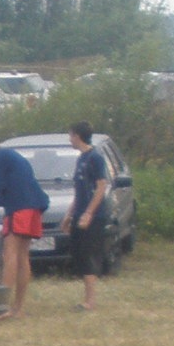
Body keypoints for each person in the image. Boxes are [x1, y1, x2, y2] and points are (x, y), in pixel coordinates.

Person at [0, 135, 45, 316]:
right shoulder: (15, 159)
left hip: (19, 210)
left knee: (10, 254)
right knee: (23, 256)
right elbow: (7, 196)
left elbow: (0, 187)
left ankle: (2, 306)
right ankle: (17, 307)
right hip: (33, 208)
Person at [66, 122, 110, 311]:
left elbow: (101, 187)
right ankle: (87, 298)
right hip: (79, 213)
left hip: (93, 216)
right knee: (79, 254)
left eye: (70, 135)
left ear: (77, 136)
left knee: (87, 254)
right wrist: (69, 215)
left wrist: (89, 213)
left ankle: (90, 301)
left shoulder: (95, 158)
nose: (69, 139)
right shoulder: (81, 159)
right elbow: (79, 192)